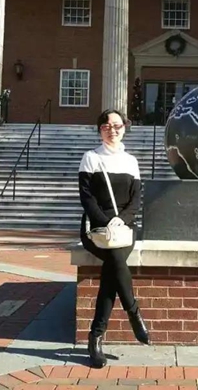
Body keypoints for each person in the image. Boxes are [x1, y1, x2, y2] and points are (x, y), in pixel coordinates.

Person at [78, 109, 150, 368]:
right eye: (107, 126)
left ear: (124, 128)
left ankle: (95, 338)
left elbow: (136, 200)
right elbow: (87, 198)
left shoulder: (131, 161)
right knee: (116, 262)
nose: (113, 130)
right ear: (100, 129)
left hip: (125, 229)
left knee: (112, 269)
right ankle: (133, 312)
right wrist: (106, 221)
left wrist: (121, 219)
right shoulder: (91, 158)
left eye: (117, 125)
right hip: (96, 229)